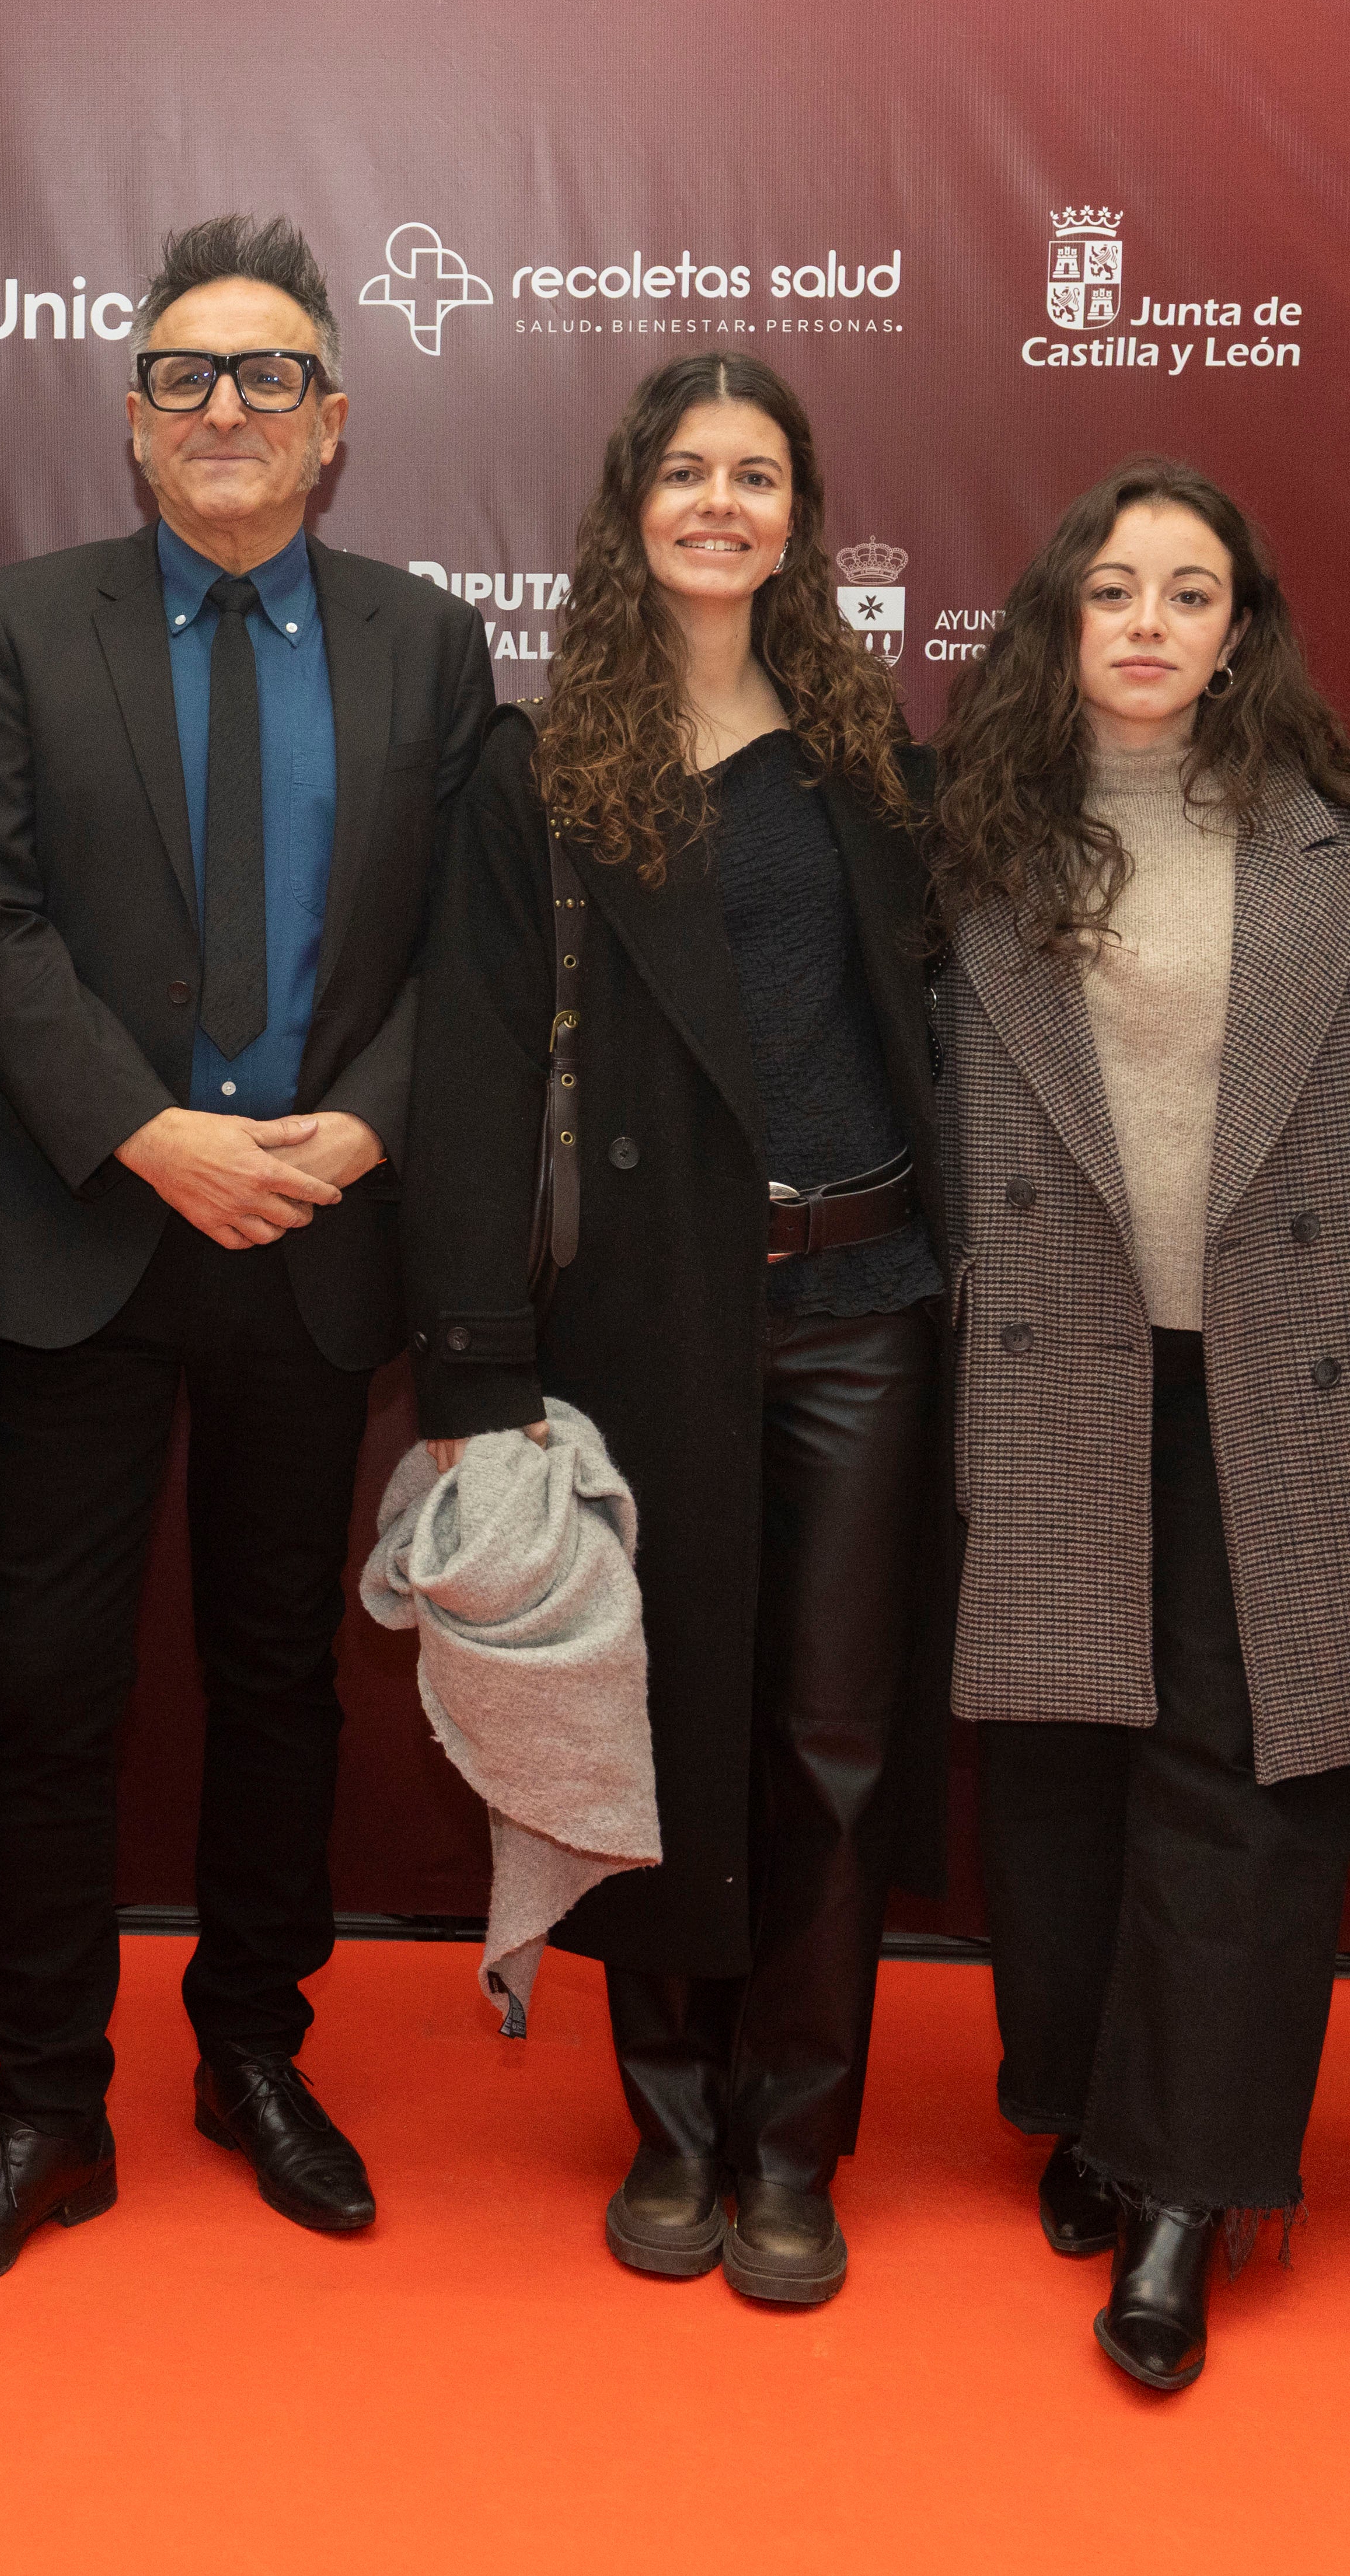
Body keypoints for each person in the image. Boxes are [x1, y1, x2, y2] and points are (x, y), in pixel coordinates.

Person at [0, 214, 497, 2298]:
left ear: (331, 426)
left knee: (276, 1680)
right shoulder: (23, 630)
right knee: (46, 1686)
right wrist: (148, 1135)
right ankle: (43, 2096)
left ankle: (253, 2043)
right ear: (129, 424)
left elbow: (466, 944)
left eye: (263, 379)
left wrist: (372, 1122)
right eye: (181, 378)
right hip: (89, 1230)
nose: (220, 410)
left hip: (318, 1240)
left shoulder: (426, 643)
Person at [405, 351, 943, 2308]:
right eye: (688, 472)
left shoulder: (867, 744)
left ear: (801, 516)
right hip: (636, 1313)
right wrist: (471, 1361)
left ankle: (794, 2137)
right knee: (650, 1720)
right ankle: (669, 2116)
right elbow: (467, 1072)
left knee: (831, 1742)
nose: (722, 503)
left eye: (761, 475)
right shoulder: (539, 768)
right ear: (629, 505)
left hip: (865, 1305)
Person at [920, 459, 1350, 2390]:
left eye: (1187, 592)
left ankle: (1190, 2188)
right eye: (1110, 586)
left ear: (1239, 631)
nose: (1144, 621)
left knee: (1247, 1765)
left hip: (1272, 1352)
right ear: (1057, 617)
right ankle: (1078, 2102)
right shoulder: (969, 838)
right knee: (1054, 1757)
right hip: (1050, 1345)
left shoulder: (1337, 844)